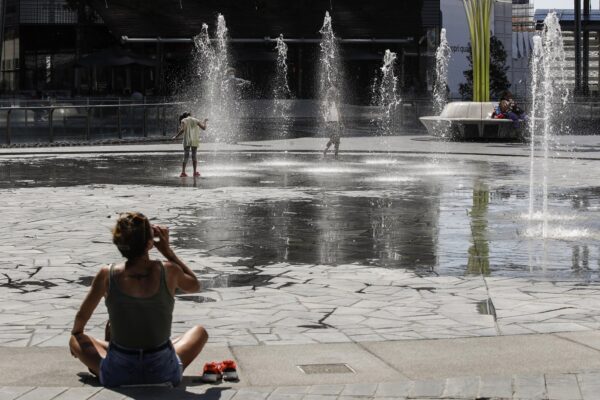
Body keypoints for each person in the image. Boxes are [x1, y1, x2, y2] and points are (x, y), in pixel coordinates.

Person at [69, 212, 208, 387]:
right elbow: (195, 285)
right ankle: (137, 351)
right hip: (163, 372)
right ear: (150, 243)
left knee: (76, 338)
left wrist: (77, 335)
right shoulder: (169, 271)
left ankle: (107, 359)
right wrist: (168, 251)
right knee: (199, 332)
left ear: (118, 243)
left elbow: (82, 318)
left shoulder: (107, 274)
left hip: (118, 373)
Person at [173, 112, 208, 177]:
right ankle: (194, 172)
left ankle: (183, 172)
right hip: (194, 140)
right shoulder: (196, 120)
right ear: (190, 115)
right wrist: (205, 121)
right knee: (194, 155)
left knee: (186, 156)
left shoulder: (183, 120)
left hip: (187, 140)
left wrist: (176, 136)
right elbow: (204, 128)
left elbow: (183, 130)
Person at [322, 85, 342, 158]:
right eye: (335, 92)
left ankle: (336, 154)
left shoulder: (336, 102)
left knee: (337, 138)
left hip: (336, 121)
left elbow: (339, 112)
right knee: (334, 137)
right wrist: (326, 121)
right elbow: (324, 112)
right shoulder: (328, 101)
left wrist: (341, 122)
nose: (337, 94)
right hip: (330, 122)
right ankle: (326, 150)